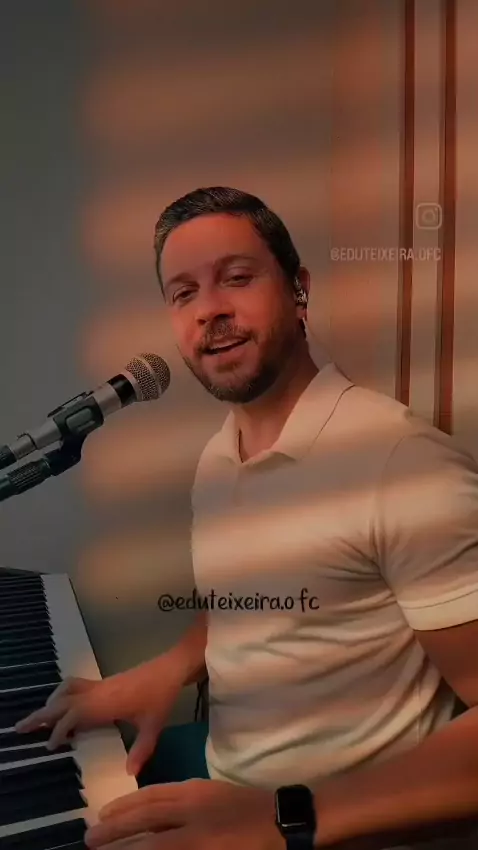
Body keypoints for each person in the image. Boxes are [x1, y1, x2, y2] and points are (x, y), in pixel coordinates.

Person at [17, 187, 478, 850]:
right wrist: (167, 668)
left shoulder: (404, 464)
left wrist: (282, 818)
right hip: (226, 786)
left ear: (298, 290)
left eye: (236, 277)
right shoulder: (220, 456)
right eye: (184, 293)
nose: (209, 309)